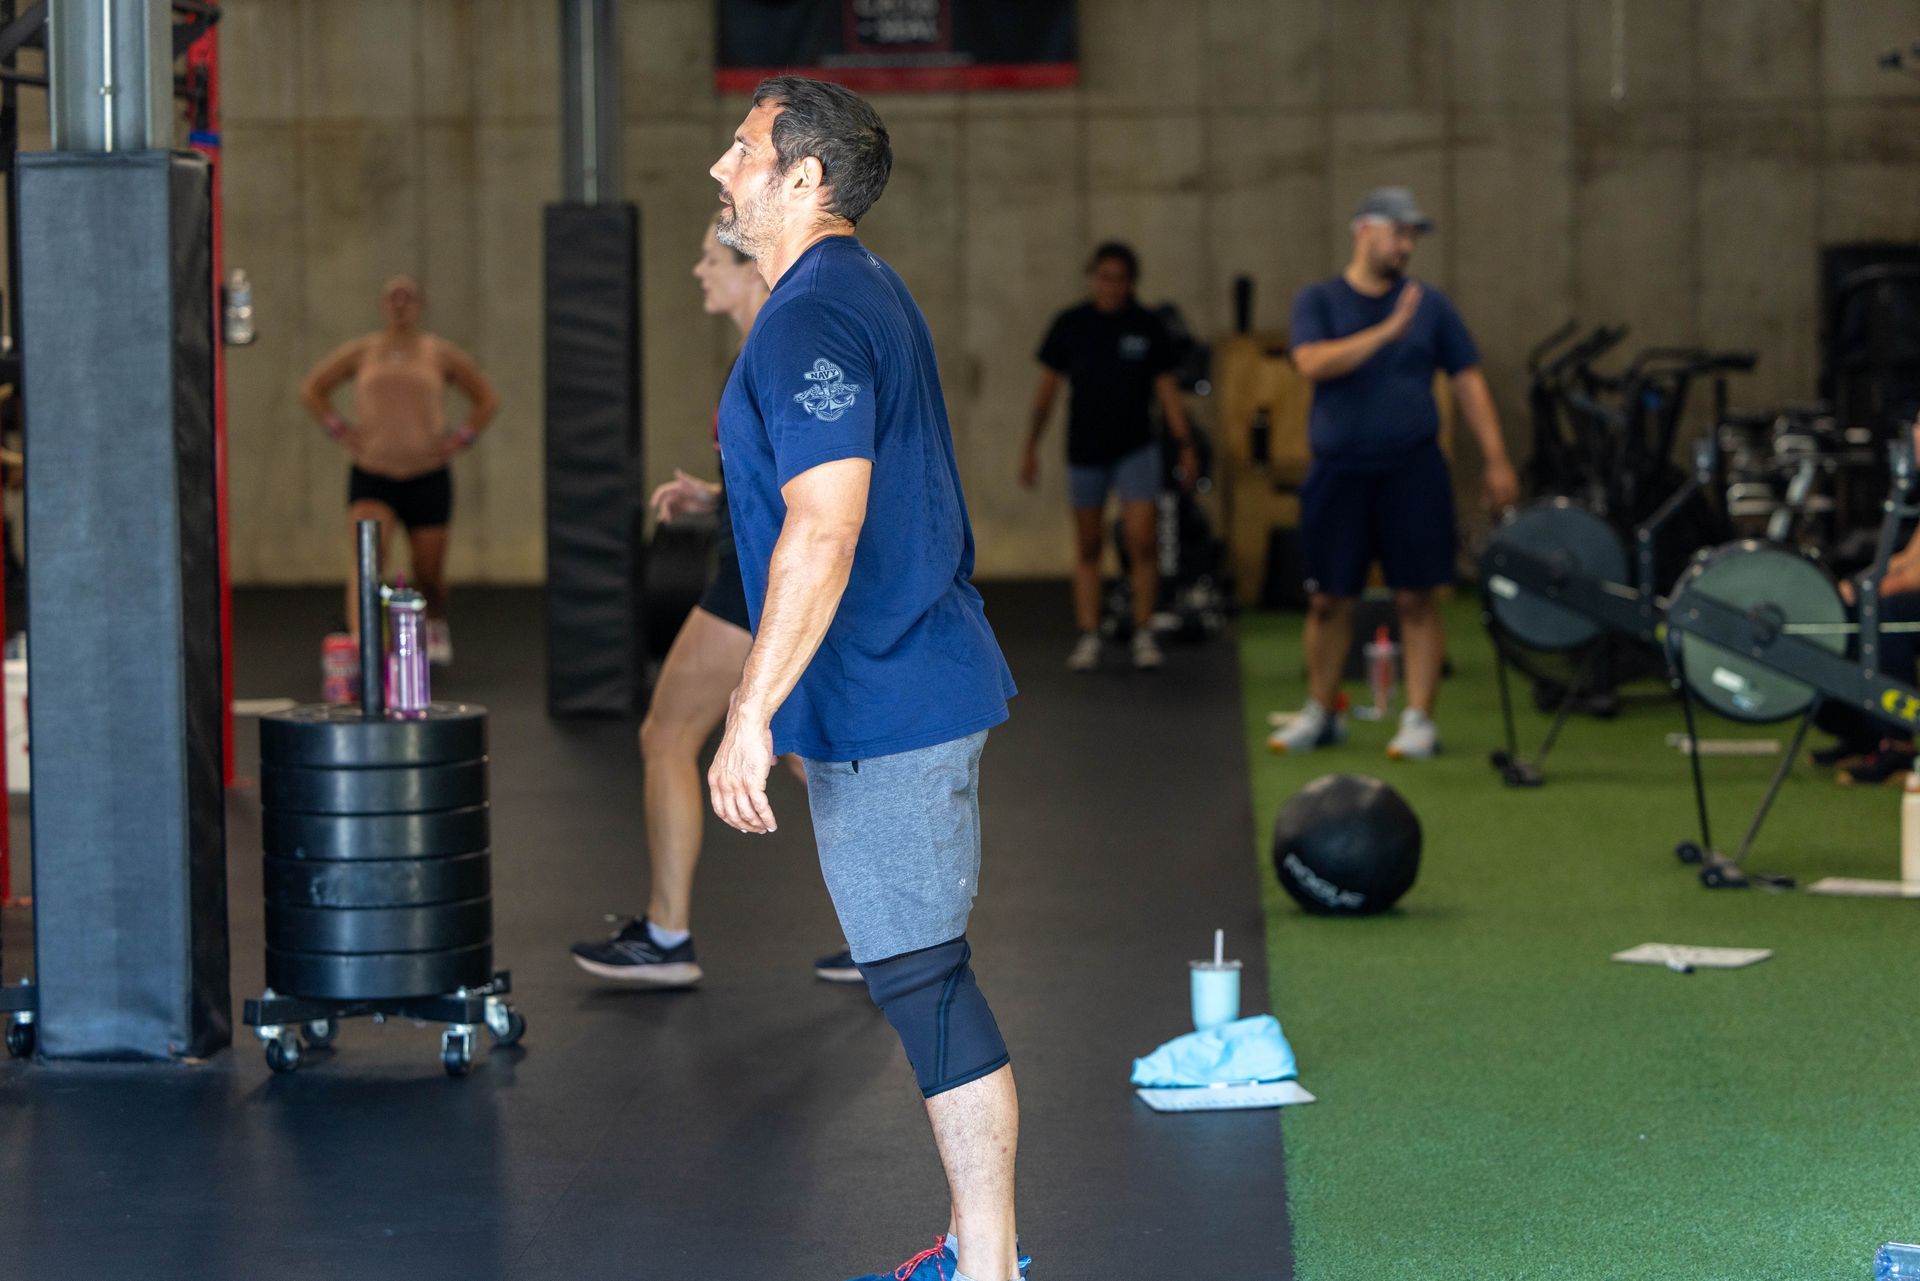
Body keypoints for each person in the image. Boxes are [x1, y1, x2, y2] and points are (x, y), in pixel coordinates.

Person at [705, 77, 1026, 1281]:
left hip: (896, 697)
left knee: (925, 986)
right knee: (922, 977)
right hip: (900, 687)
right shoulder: (853, 291)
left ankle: (986, 1268)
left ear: (803, 177)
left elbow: (826, 529)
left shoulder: (809, 316)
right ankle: (978, 1258)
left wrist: (749, 715)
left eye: (741, 151)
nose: (720, 171)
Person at [569, 218, 857, 986]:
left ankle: (666, 937)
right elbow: (779, 471)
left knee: (667, 733)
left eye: (709, 257)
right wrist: (714, 493)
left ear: (751, 267)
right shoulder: (761, 346)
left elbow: (823, 485)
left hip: (755, 584)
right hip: (757, 575)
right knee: (804, 754)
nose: (697, 269)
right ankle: (889, 931)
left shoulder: (778, 344)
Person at [1268, 187, 1519, 760]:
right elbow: (1311, 362)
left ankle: (1418, 718)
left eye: (1413, 235)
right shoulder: (1320, 300)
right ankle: (1322, 710)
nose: (1406, 245)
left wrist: (1497, 457)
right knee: (1329, 600)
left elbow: (1467, 378)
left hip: (1413, 471)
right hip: (1338, 473)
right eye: (1398, 232)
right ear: (1363, 229)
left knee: (1416, 598)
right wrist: (1386, 333)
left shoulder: (1430, 306)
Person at [299, 275, 497, 664]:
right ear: (382, 306)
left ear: (420, 306)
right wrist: (338, 429)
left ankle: (435, 621)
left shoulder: (440, 354)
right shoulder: (362, 352)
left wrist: (461, 438)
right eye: (393, 298)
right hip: (373, 473)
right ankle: (362, 642)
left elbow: (487, 399)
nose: (400, 304)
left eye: (408, 298)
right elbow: (312, 389)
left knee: (429, 573)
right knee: (368, 560)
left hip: (427, 475)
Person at [1022, 243, 1200, 672]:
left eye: (1120, 279)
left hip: (1137, 448)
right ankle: (1088, 634)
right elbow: (1047, 393)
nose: (1111, 286)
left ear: (1131, 283)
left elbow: (1167, 391)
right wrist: (1030, 446)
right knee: (1088, 543)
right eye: (1104, 277)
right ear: (1092, 278)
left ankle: (1142, 631)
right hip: (1085, 450)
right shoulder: (1071, 325)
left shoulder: (1148, 325)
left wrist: (1186, 443)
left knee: (1142, 538)